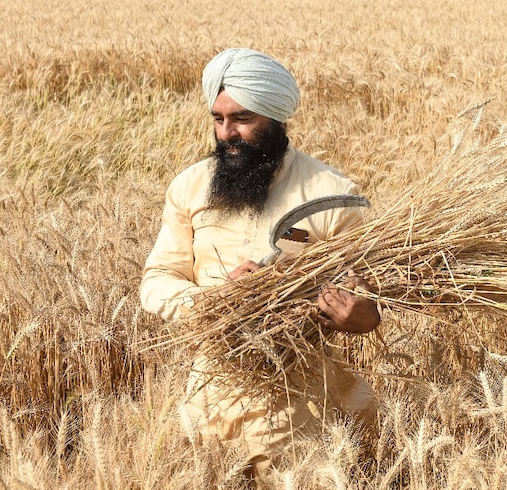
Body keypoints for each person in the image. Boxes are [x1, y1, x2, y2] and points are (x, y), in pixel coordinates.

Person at [139, 48, 380, 474]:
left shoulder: (331, 194)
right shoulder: (190, 187)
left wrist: (364, 317)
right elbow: (158, 279)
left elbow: (367, 293)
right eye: (218, 119)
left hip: (301, 402)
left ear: (276, 117)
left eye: (243, 119)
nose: (226, 133)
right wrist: (217, 301)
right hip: (207, 398)